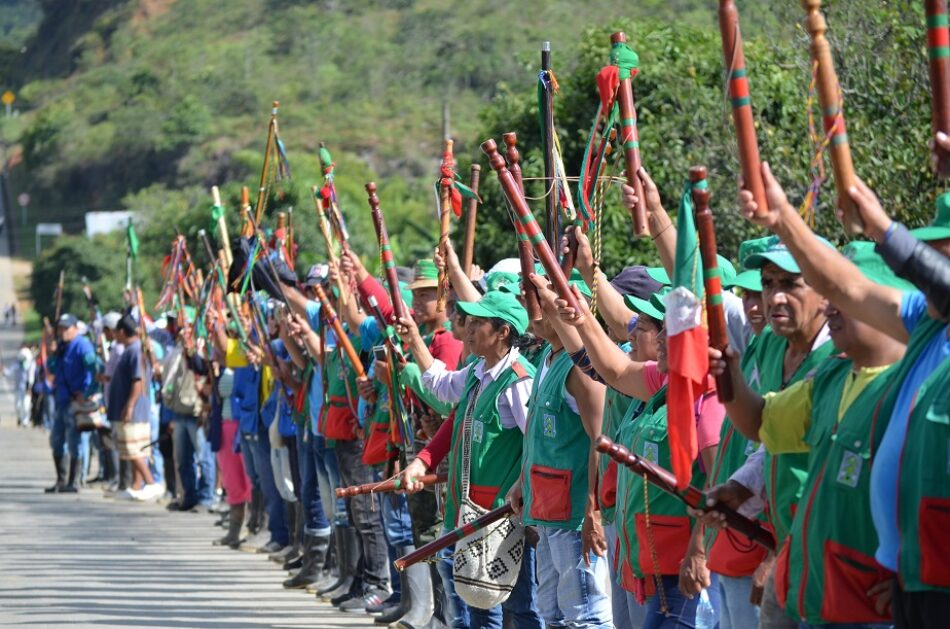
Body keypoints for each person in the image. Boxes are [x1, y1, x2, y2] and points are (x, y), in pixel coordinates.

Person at [737, 161, 950, 628]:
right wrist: (781, 218)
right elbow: (841, 283)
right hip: (902, 581)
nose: (923, 268)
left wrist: (887, 232)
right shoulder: (926, 322)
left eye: (937, 254)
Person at [399, 289, 542, 629]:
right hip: (469, 513)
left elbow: (537, 448)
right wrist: (415, 340)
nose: (467, 328)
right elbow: (442, 387)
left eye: (478, 323)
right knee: (475, 607)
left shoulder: (518, 381)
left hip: (503, 519)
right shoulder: (479, 370)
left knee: (518, 608)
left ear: (503, 332)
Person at [508, 273, 613, 629]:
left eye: (542, 303)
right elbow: (539, 435)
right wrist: (524, 480)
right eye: (531, 302)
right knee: (551, 614)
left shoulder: (581, 369)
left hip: (574, 517)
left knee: (586, 615)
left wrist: (592, 511)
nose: (534, 312)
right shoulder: (546, 359)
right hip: (548, 510)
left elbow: (601, 440)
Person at [109, 314, 162, 501]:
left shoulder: (135, 351)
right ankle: (136, 486)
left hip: (134, 410)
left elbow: (138, 381)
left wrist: (129, 406)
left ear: (122, 332)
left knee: (134, 449)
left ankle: (151, 482)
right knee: (134, 448)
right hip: (130, 408)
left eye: (116, 332)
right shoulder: (133, 349)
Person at [46, 313, 96, 493]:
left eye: (66, 328)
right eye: (60, 328)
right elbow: (52, 369)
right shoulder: (61, 346)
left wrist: (88, 392)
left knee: (75, 441)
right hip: (61, 399)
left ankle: (75, 481)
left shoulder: (82, 345)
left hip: (75, 401)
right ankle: (61, 480)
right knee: (57, 440)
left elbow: (94, 368)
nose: (62, 331)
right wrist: (52, 355)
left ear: (75, 328)